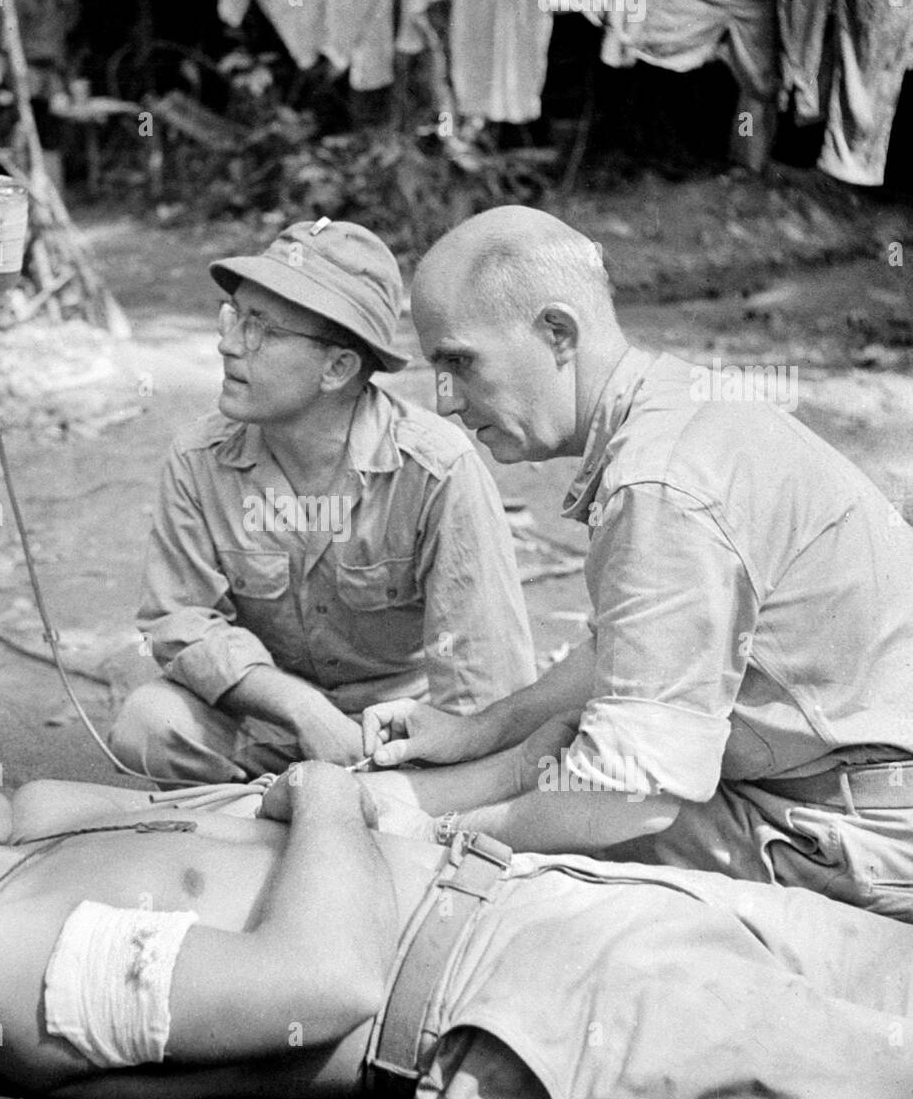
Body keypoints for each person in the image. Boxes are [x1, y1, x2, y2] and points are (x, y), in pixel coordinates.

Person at [0, 689, 913, 1099]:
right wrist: (327, 793)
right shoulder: (5, 964)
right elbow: (318, 982)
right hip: (523, 1000)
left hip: (554, 917)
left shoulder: (32, 843)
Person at [359, 205, 913, 920]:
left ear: (556, 332)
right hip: (834, 786)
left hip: (853, 837)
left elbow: (630, 793)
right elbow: (633, 649)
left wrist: (437, 835)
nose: (449, 402)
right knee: (550, 748)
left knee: (481, 890)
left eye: (460, 363)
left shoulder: (659, 483)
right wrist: (486, 729)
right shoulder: (671, 408)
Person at [109, 218, 535, 784]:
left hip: (398, 736)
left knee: (443, 794)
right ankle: (294, 809)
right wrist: (301, 709)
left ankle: (297, 816)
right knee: (149, 726)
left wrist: (417, 760)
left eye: (262, 329)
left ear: (337, 368)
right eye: (234, 315)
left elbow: (482, 677)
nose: (229, 343)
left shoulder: (434, 472)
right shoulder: (200, 458)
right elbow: (179, 621)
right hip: (268, 719)